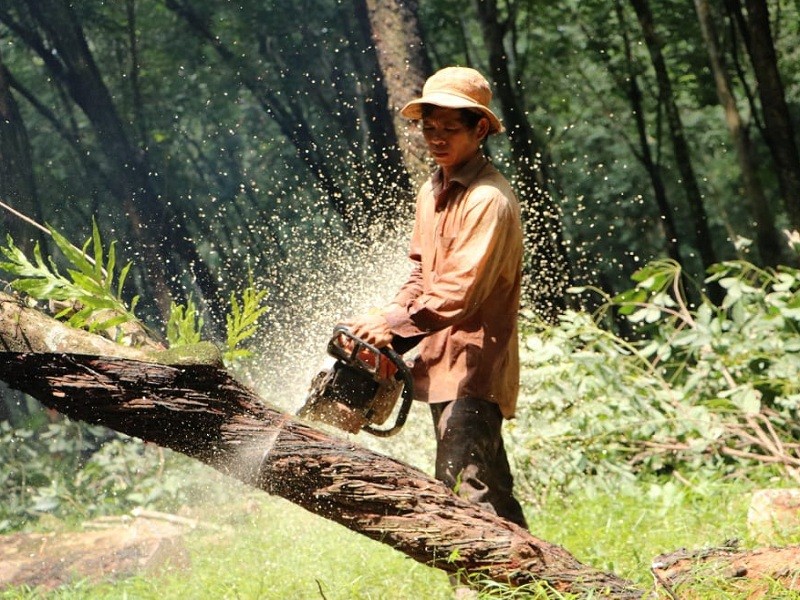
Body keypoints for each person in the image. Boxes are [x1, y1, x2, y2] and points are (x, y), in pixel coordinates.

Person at [346, 66, 528, 530]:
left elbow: (459, 290)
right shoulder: (433, 188)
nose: (437, 138)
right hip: (441, 357)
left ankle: (483, 585)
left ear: (480, 128)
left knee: (465, 491)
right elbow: (420, 270)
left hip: (474, 363)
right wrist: (385, 319)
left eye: (450, 129)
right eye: (429, 128)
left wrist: (397, 325)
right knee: (485, 483)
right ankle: (535, 580)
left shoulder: (489, 199)